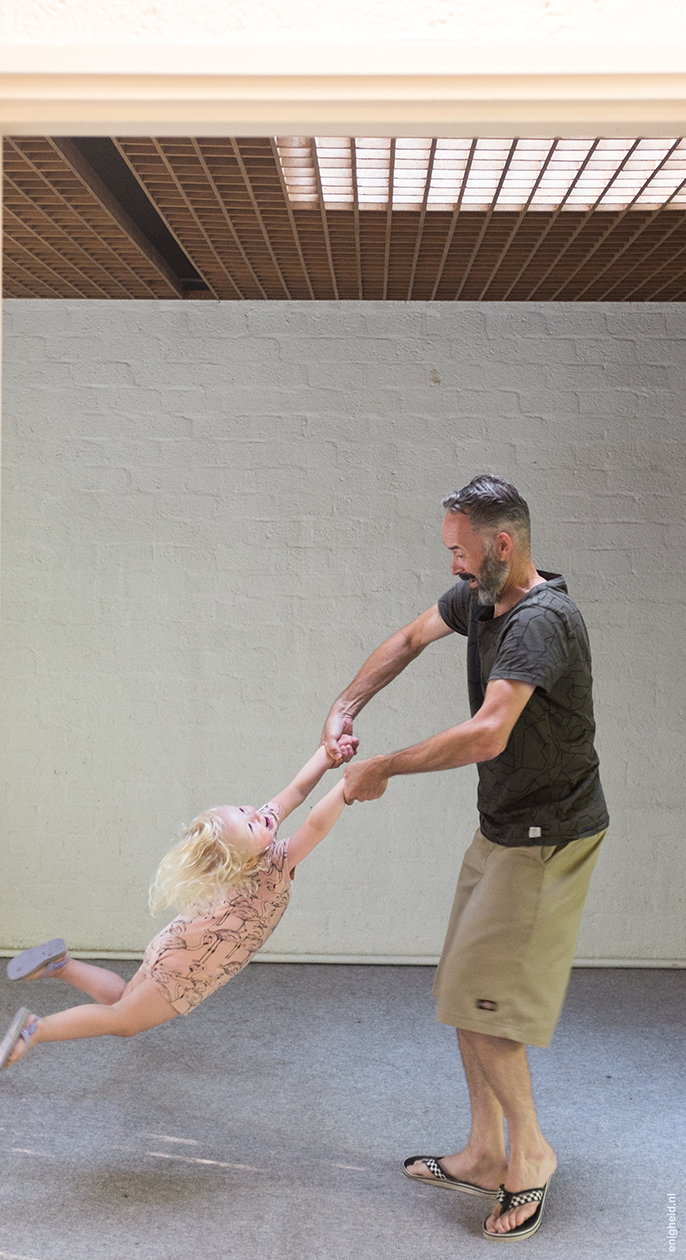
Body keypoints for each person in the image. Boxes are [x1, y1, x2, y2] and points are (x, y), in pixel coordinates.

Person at [322, 474, 608, 1243]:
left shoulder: (542, 622)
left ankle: (532, 1155)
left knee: (486, 1006)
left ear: (501, 544)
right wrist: (347, 707)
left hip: (547, 837)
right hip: (503, 826)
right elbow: (411, 638)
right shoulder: (481, 598)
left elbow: (488, 733)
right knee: (462, 993)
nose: (452, 564)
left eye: (459, 550)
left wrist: (383, 766)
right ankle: (486, 1153)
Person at [0, 737, 358, 1072]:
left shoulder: (250, 842)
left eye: (246, 810)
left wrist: (326, 756)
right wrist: (346, 786)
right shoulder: (275, 860)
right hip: (190, 970)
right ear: (240, 859)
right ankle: (36, 1029)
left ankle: (62, 966)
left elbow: (295, 791)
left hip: (176, 944)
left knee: (123, 999)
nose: (257, 814)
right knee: (124, 1021)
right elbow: (315, 824)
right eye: (248, 821)